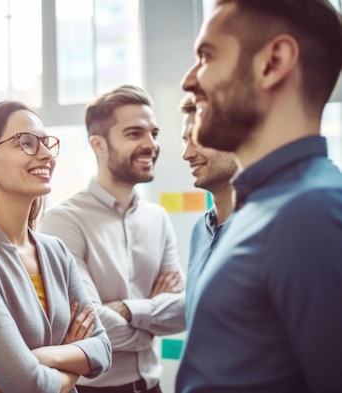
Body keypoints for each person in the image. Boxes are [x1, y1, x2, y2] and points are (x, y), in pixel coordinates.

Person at [177, 1, 342, 392]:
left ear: (273, 61)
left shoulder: (311, 213)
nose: (189, 81)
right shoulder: (261, 206)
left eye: (206, 56)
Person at [0, 100, 112, 393]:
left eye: (46, 143)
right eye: (26, 143)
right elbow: (25, 383)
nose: (45, 155)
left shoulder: (55, 251)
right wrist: (72, 365)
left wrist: (43, 357)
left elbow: (104, 349)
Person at [40, 85, 186, 393]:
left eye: (153, 134)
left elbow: (185, 310)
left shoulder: (157, 218)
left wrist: (126, 310)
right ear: (99, 145)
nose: (150, 145)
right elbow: (91, 325)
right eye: (134, 134)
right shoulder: (64, 220)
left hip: (152, 385)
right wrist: (152, 319)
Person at [178, 95, 237, 327]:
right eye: (185, 140)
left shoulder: (268, 229)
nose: (186, 153)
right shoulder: (199, 232)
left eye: (197, 139)